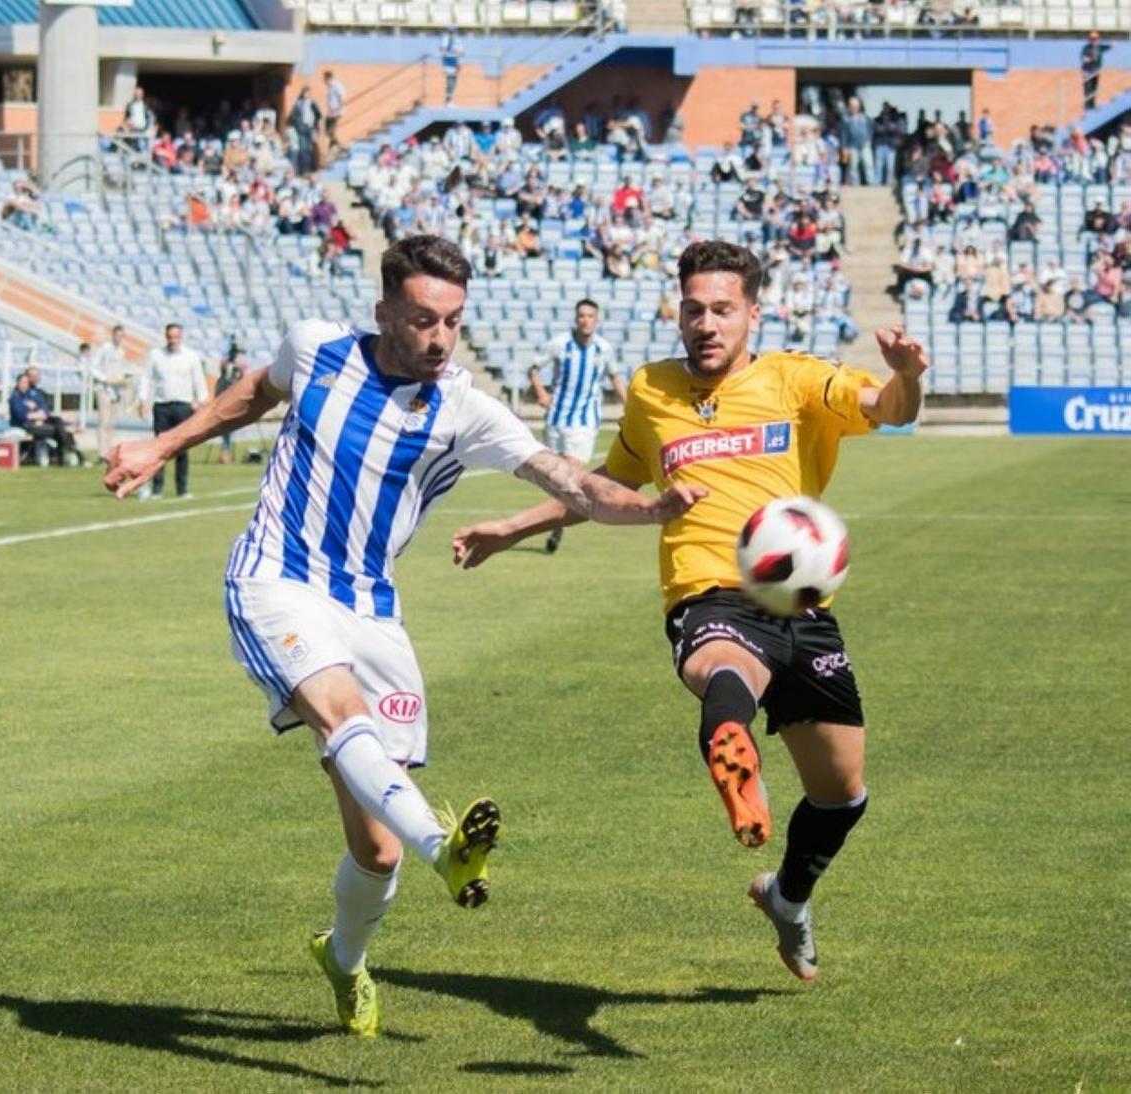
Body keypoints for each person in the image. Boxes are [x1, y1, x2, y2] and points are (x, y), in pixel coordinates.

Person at [102, 235, 703, 1037]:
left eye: (454, 322)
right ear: (384, 309)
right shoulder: (316, 348)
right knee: (342, 718)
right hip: (275, 580)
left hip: (371, 613)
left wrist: (652, 509)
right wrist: (158, 444)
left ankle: (344, 958)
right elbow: (252, 394)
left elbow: (570, 478)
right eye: (423, 320)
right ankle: (446, 850)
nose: (440, 338)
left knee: (374, 853)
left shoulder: (463, 408)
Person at [452, 239, 927, 984]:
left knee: (841, 794)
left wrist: (907, 377)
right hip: (708, 589)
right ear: (678, 311)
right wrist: (513, 527)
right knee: (723, 665)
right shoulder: (651, 390)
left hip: (801, 605)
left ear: (753, 314)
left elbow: (887, 407)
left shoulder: (796, 379)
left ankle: (787, 898)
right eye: (694, 309)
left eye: (722, 310)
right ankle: (733, 748)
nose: (706, 323)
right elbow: (605, 484)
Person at [528, 300, 627, 553]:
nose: (585, 320)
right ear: (576, 319)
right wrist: (541, 393)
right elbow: (534, 368)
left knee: (572, 476)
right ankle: (557, 519)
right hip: (556, 420)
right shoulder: (560, 344)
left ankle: (557, 527)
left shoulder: (603, 349)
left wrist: (631, 406)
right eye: (581, 315)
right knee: (556, 478)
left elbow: (615, 377)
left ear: (597, 319)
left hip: (584, 423)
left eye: (590, 315)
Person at [137, 323, 207, 500]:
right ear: (166, 337)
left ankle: (182, 488)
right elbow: (146, 377)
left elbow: (198, 379)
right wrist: (143, 399)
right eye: (170, 337)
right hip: (162, 406)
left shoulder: (191, 356)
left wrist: (200, 401)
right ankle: (157, 488)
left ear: (181, 337)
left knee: (182, 448)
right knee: (160, 449)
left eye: (176, 337)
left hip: (184, 406)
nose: (173, 340)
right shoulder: (156, 355)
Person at [9, 368, 81, 466]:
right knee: (62, 431)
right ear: (17, 383)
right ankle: (70, 453)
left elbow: (45, 408)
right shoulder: (15, 397)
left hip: (40, 422)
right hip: (26, 426)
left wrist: (39, 414)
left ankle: (66, 454)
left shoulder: (33, 393)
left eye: (26, 382)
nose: (24, 385)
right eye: (22, 382)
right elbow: (21, 415)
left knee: (58, 421)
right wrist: (35, 415)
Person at [91, 324, 131, 462]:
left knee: (111, 423)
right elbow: (93, 368)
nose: (119, 338)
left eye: (122, 336)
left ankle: (109, 451)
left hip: (116, 389)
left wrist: (121, 380)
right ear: (113, 335)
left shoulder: (121, 351)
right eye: (117, 335)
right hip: (103, 388)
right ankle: (102, 452)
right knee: (104, 421)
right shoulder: (104, 348)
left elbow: (120, 369)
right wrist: (105, 379)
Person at [1081, 32, 1111, 111]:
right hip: (1087, 71)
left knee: (1094, 89)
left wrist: (1113, 43)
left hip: (1095, 71)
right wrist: (1091, 58)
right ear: (1090, 40)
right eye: (1092, 39)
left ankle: (1092, 106)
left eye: (1096, 39)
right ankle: (1088, 107)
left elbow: (1108, 47)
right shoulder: (1086, 48)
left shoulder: (1099, 47)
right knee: (1088, 89)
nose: (1094, 40)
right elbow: (1084, 59)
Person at [323, 70, 346, 154]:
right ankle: (333, 147)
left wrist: (338, 108)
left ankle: (339, 146)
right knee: (327, 130)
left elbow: (342, 98)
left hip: (336, 112)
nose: (324, 81)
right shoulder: (330, 87)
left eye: (325, 79)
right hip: (331, 113)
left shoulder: (337, 85)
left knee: (330, 131)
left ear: (329, 78)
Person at [440, 27, 462, 105]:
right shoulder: (445, 40)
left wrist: (458, 53)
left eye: (454, 32)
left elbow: (460, 51)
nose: (452, 34)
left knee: (454, 82)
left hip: (455, 62)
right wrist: (445, 52)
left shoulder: (458, 40)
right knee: (449, 82)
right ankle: (448, 100)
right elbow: (443, 50)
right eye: (451, 32)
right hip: (448, 63)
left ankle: (450, 98)